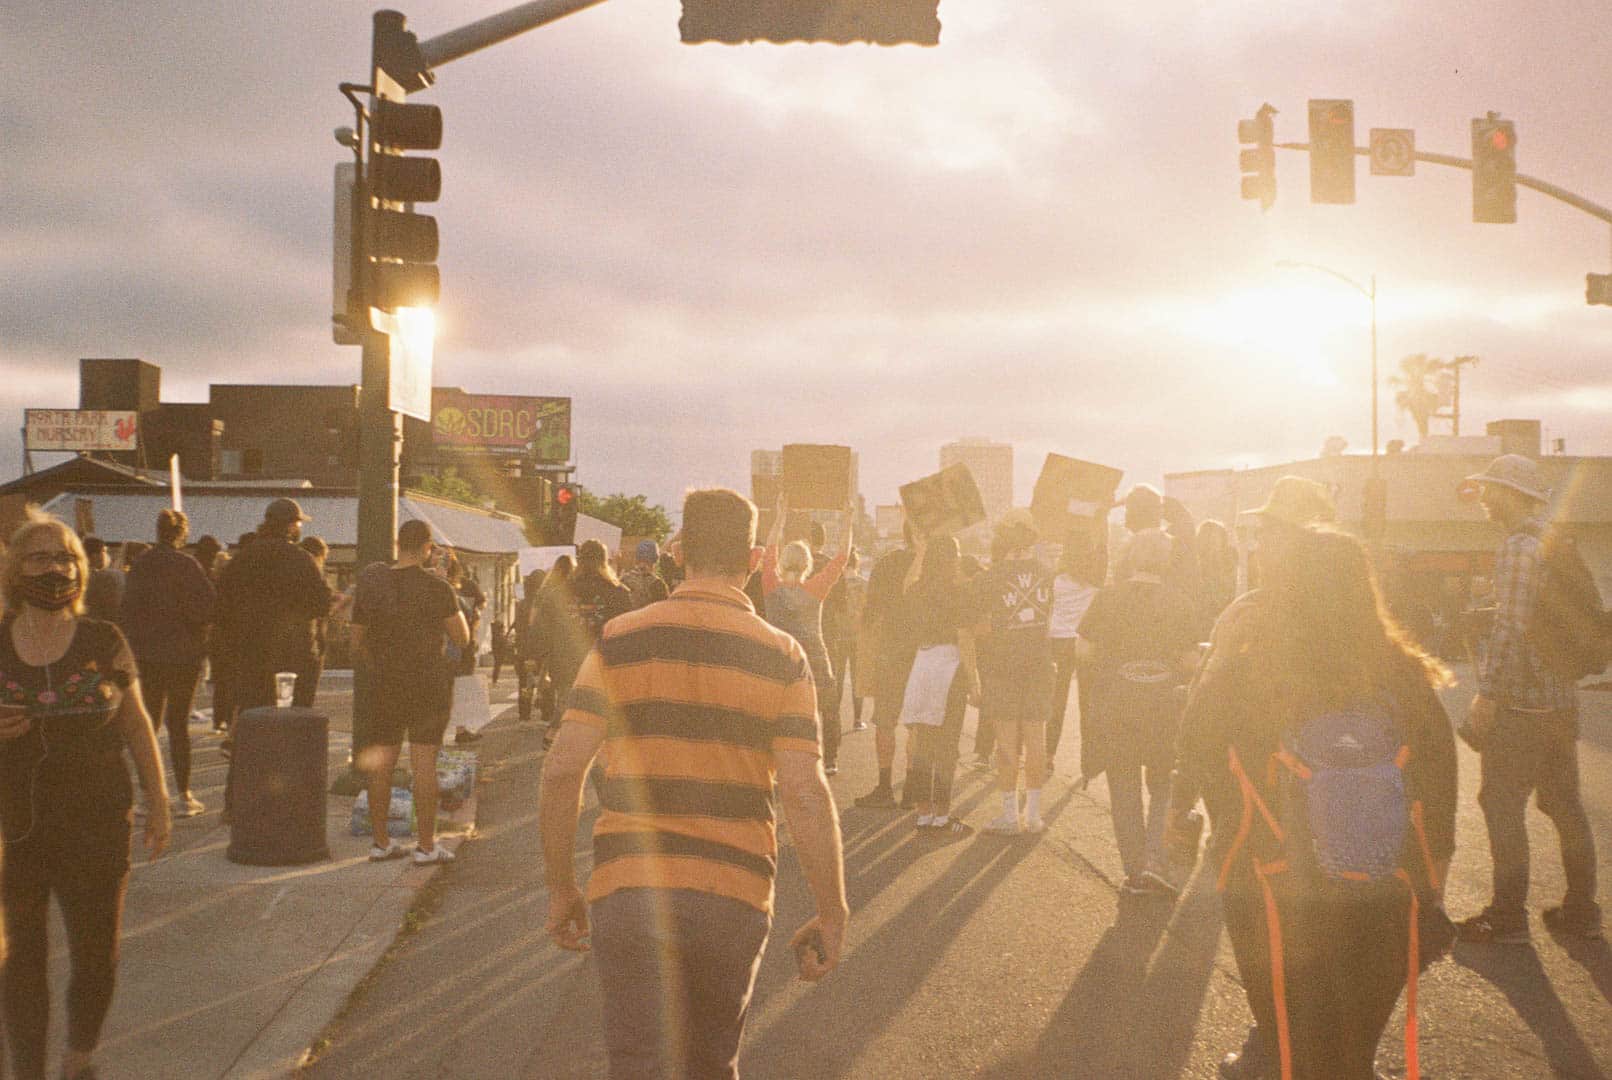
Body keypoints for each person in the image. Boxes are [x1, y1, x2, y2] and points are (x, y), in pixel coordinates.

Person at [538, 487, 848, 1079]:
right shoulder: (782, 656)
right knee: (711, 1062)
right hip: (731, 891)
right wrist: (831, 908)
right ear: (755, 559)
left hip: (629, 888)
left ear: (679, 553)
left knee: (638, 1064)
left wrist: (562, 888)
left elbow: (560, 771)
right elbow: (805, 793)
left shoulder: (619, 640)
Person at [1168, 527, 1458, 1080]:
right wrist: (1428, 896)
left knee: (1293, 1042)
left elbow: (1194, 750)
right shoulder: (1405, 680)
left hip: (1274, 891)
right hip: (1389, 892)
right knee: (1353, 1051)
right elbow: (1439, 805)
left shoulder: (1248, 679)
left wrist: (1222, 651)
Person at [1165, 475, 1338, 1079]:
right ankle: (1341, 1050)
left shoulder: (1253, 613)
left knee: (1266, 934)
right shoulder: (1359, 611)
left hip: (1258, 811)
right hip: (1344, 810)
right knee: (1331, 931)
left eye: (1266, 531)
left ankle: (1276, 1048)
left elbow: (1201, 720)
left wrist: (1181, 798)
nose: (1257, 543)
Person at [0, 511, 171, 1080]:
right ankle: (28, 1073)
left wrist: (159, 797)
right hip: (15, 824)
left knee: (96, 952)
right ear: (14, 569)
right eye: (40, 557)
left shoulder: (105, 638)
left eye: (67, 556)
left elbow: (136, 722)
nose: (56, 568)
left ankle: (78, 1060)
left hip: (98, 818)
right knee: (20, 958)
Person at [1455, 454, 1602, 943]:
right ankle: (1582, 909)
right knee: (1565, 806)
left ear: (1510, 494)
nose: (1483, 499)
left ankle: (1507, 918)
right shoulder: (1553, 541)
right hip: (1560, 699)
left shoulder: (1519, 547)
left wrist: (1487, 696)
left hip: (1522, 702)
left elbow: (1513, 629)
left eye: (1490, 489)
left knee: (1499, 803)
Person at [1075, 528, 1200, 896]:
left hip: (1117, 705)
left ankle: (1134, 870)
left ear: (1130, 557)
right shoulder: (1180, 602)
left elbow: (1082, 651)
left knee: (1123, 784)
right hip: (1163, 707)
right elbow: (1191, 661)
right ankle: (1156, 861)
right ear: (1166, 561)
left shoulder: (1107, 598)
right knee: (1163, 784)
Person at [348, 519, 471, 864]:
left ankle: (381, 842)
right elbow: (462, 637)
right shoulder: (437, 587)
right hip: (427, 684)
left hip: (385, 684)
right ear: (428, 548)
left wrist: (379, 662)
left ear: (398, 544)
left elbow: (355, 641)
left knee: (382, 765)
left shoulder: (372, 586)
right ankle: (427, 847)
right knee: (424, 765)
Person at [120, 508, 215, 818]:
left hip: (146, 654)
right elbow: (206, 609)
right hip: (182, 655)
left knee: (149, 723)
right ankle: (184, 794)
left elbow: (127, 610)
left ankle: (149, 794)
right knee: (178, 725)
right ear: (182, 533)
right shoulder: (187, 565)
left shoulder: (140, 565)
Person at [973, 511, 1056, 835]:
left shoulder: (991, 577)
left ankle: (1009, 815)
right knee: (1037, 741)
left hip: (1002, 668)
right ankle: (1033, 815)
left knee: (1006, 744)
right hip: (1039, 665)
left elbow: (979, 626)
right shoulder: (1048, 575)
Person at [213, 499, 332, 717]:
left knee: (255, 715)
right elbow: (322, 603)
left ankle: (250, 749)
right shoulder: (301, 559)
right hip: (293, 655)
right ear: (289, 526)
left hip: (250, 654)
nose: (299, 529)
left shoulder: (243, 559)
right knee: (293, 717)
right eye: (297, 524)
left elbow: (221, 605)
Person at [762, 498, 852, 774]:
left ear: (782, 562)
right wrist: (848, 519)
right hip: (815, 659)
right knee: (828, 709)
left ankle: (775, 764)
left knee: (777, 713)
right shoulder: (816, 589)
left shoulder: (770, 586)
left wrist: (780, 516)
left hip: (778, 660)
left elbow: (769, 549)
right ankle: (831, 759)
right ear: (808, 565)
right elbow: (841, 558)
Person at [897, 534, 979, 834]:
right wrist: (974, 678)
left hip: (923, 663)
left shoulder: (917, 589)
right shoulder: (960, 592)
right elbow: (965, 637)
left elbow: (907, 584)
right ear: (953, 558)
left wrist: (920, 553)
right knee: (947, 745)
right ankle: (942, 815)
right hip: (951, 665)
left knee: (923, 742)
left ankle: (923, 813)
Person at [529, 544, 629, 746]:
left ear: (580, 561)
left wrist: (539, 660)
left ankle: (556, 739)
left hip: (565, 661)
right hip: (603, 660)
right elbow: (627, 631)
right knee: (603, 709)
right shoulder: (618, 593)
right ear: (604, 561)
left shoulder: (559, 592)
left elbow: (540, 630)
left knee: (567, 703)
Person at [855, 524, 918, 808]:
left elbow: (870, 613)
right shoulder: (937, 564)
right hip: (925, 653)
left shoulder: (888, 562)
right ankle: (913, 789)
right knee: (917, 724)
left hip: (890, 653)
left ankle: (884, 786)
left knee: (885, 722)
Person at [1047, 520, 1104, 764]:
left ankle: (1048, 755)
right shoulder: (1094, 582)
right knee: (1087, 703)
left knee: (1056, 701)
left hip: (1057, 642)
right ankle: (1088, 761)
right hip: (1084, 643)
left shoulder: (1054, 581)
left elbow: (1047, 611)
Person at [295, 535, 331, 709]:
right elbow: (323, 605)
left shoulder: (292, 573)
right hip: (309, 644)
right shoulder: (313, 573)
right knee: (304, 698)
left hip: (290, 644)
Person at [81, 536, 124, 623]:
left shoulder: (77, 576)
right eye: (104, 551)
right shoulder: (104, 578)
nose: (107, 556)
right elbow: (113, 610)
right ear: (95, 555)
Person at [621, 539, 670, 610]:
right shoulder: (658, 584)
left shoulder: (623, 579)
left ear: (636, 558)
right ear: (656, 560)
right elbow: (664, 611)